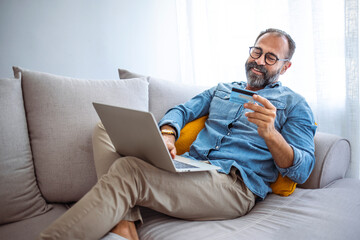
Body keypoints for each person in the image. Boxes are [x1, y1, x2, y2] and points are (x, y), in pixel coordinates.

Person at [38, 28, 316, 240]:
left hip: (233, 186)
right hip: (190, 168)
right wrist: (168, 133)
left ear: (285, 66)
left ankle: (118, 225)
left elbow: (302, 171)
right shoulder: (222, 89)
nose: (259, 61)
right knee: (105, 129)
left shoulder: (295, 105)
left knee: (129, 170)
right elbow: (182, 110)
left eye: (271, 57)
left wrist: (271, 134)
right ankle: (125, 219)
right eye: (257, 51)